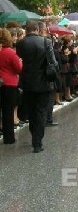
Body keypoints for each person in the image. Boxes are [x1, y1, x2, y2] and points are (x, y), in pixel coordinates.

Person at [16, 21, 58, 153]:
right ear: (37, 29)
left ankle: (34, 134)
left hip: (27, 83)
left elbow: (19, 62)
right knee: (41, 111)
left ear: (27, 30)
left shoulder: (20, 44)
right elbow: (53, 62)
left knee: (32, 111)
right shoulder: (46, 42)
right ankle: (37, 142)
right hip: (43, 83)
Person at [0, 29, 23, 144]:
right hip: (10, 83)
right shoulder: (10, 52)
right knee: (9, 111)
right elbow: (18, 69)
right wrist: (20, 61)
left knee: (3, 111)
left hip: (1, 82)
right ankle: (9, 138)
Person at [38, 21, 58, 127]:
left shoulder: (25, 42)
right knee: (50, 96)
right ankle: (48, 119)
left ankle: (40, 119)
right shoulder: (47, 42)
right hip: (47, 73)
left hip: (33, 75)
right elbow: (53, 60)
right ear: (42, 30)